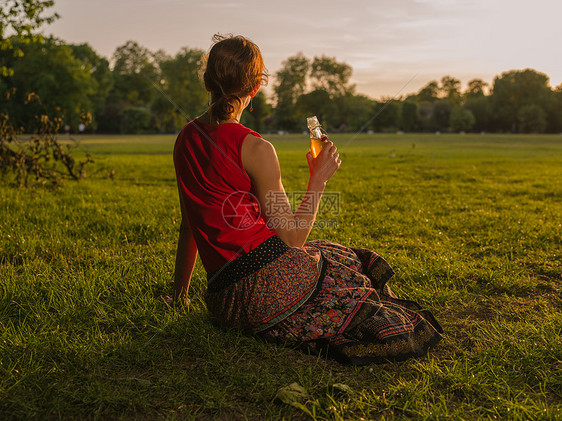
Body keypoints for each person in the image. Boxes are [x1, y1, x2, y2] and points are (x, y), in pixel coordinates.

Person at [172, 34, 443, 365]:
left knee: (327, 252)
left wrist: (179, 296)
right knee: (347, 263)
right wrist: (319, 178)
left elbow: (190, 225)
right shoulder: (256, 148)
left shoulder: (185, 138)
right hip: (265, 292)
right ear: (256, 87)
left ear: (207, 81)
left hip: (223, 301)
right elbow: (293, 236)